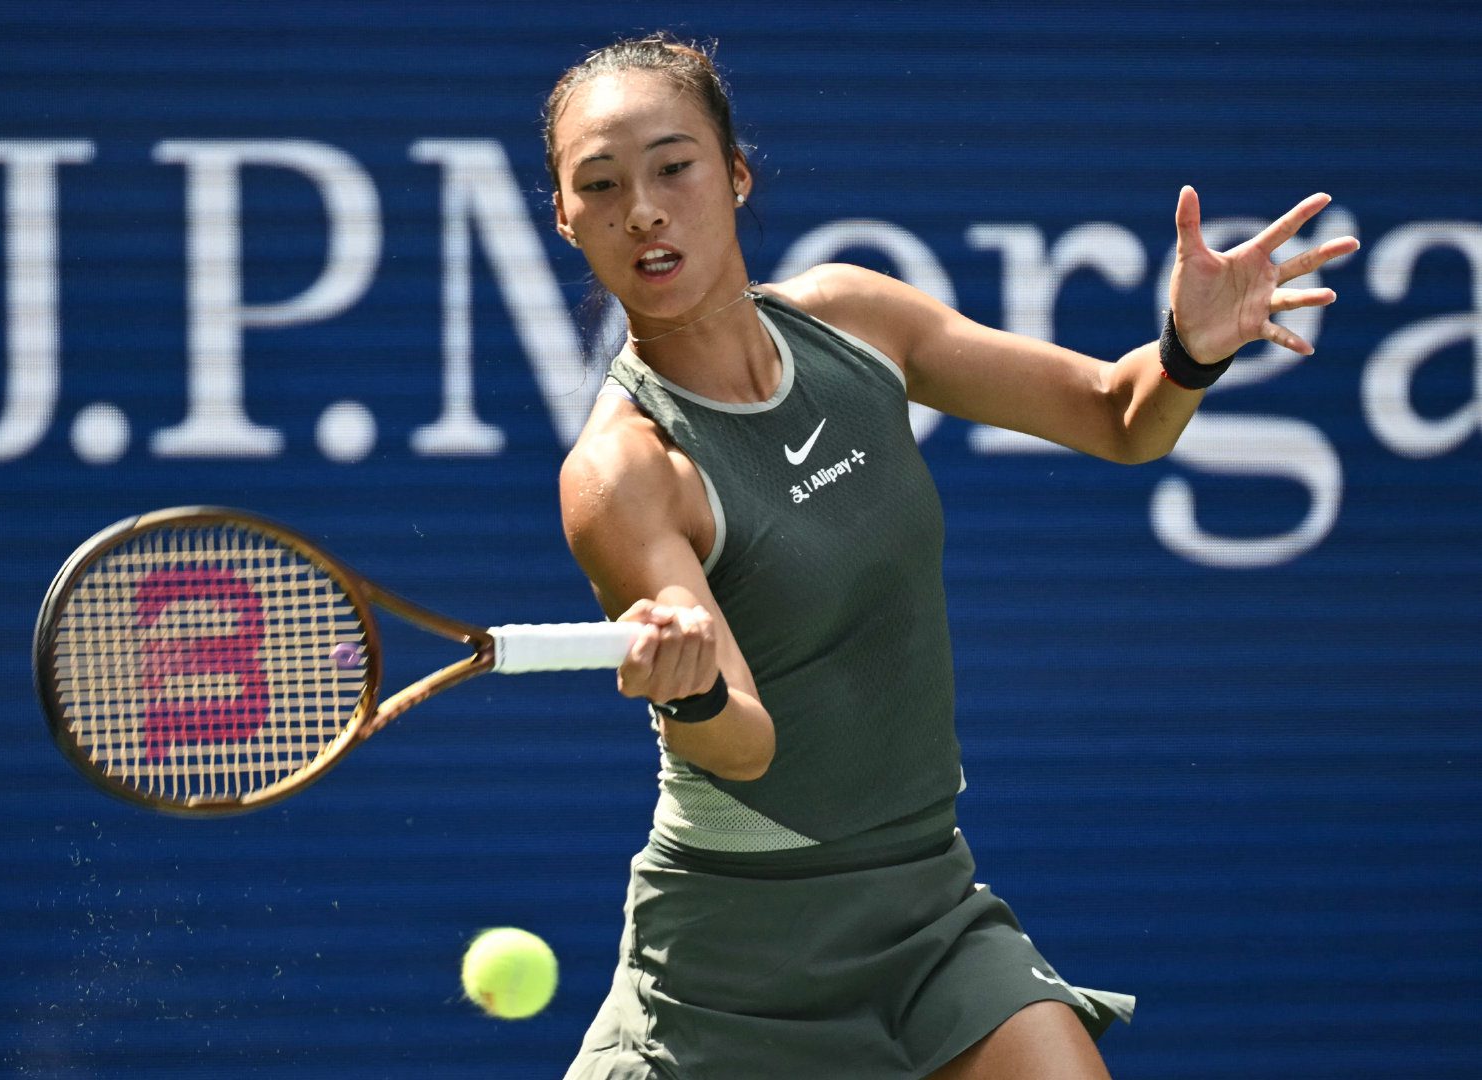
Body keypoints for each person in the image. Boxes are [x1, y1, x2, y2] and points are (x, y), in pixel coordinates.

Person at [544, 33, 1357, 1080]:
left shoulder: (856, 320)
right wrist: (689, 689)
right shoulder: (623, 473)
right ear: (564, 219)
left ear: (736, 174)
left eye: (674, 165)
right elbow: (741, 745)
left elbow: (1121, 419)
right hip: (733, 964)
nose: (643, 209)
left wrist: (1190, 351)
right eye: (600, 186)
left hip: (925, 900)